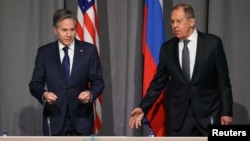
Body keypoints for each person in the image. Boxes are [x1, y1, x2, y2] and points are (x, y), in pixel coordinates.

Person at [129, 3, 233, 136]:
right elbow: (158, 83)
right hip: (178, 118)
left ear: (191, 22)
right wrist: (143, 107)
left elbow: (224, 82)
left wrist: (227, 112)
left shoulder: (213, 44)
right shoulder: (167, 49)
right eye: (172, 22)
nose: (174, 26)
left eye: (179, 21)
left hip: (208, 114)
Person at [29, 9, 104, 136]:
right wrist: (44, 94)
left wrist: (90, 94)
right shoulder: (44, 53)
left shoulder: (88, 51)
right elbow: (35, 84)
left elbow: (98, 82)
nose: (69, 34)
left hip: (82, 118)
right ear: (55, 30)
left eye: (72, 29)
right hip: (54, 118)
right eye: (64, 30)